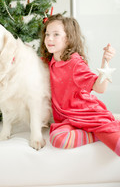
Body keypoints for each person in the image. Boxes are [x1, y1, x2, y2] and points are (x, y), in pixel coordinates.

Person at [40, 13, 120, 156]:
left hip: (88, 115)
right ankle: (96, 133)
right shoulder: (48, 61)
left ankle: (103, 128)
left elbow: (100, 88)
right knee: (58, 139)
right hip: (67, 119)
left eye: (56, 34)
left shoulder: (74, 63)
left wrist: (105, 62)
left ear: (69, 39)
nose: (49, 39)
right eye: (47, 34)